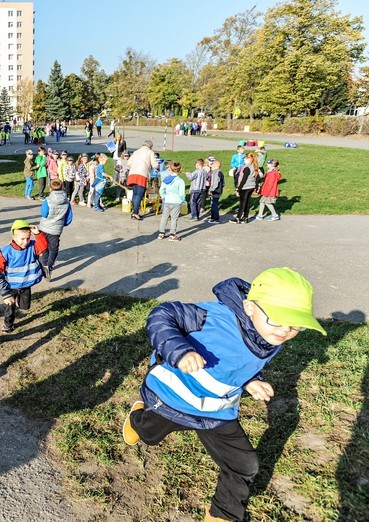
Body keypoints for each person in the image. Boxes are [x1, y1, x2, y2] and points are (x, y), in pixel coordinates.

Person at [122, 268, 326, 522]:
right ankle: (137, 417)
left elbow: (237, 362)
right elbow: (162, 314)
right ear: (250, 307)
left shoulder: (269, 336)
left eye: (295, 325)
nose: (285, 330)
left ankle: (223, 514)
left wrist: (251, 380)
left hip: (216, 412)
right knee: (149, 436)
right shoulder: (212, 317)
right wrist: (180, 350)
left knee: (245, 465)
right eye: (278, 319)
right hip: (173, 400)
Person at [0, 220, 48, 333]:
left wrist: (38, 233)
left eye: (28, 238)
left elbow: (43, 247)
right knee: (10, 307)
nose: (25, 242)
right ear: (14, 237)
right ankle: (8, 325)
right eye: (22, 239)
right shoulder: (6, 252)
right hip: (11, 286)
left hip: (26, 284)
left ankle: (19, 301)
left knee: (25, 307)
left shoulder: (33, 246)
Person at [38, 180, 73, 281]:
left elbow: (44, 213)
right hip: (56, 230)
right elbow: (69, 217)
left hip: (44, 227)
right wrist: (62, 223)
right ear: (62, 187)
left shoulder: (47, 200)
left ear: (50, 188)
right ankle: (50, 265)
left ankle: (44, 265)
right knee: (54, 248)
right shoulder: (66, 201)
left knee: (44, 247)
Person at [127, 140, 160, 221]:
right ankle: (135, 213)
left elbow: (129, 162)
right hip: (142, 174)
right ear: (150, 146)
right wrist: (158, 166)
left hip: (132, 173)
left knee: (135, 193)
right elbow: (154, 164)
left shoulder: (136, 152)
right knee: (139, 194)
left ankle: (134, 212)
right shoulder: (150, 152)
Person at [158, 161, 186, 242]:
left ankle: (161, 233)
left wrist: (164, 197)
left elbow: (161, 190)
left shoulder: (166, 180)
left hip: (167, 200)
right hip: (176, 202)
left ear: (170, 169)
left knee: (164, 217)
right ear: (180, 169)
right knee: (174, 218)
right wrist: (181, 200)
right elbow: (182, 193)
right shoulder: (180, 181)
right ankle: (172, 235)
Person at [233, 153, 258, 224]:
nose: (244, 159)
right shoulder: (254, 166)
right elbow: (256, 178)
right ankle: (245, 217)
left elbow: (243, 180)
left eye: (245, 158)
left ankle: (238, 218)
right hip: (251, 186)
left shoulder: (247, 168)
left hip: (245, 187)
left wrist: (239, 189)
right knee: (247, 202)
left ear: (250, 159)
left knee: (242, 203)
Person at [206, 159, 225, 224]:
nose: (211, 167)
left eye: (212, 166)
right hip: (218, 191)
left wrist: (211, 190)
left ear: (215, 166)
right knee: (213, 204)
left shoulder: (216, 173)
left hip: (215, 191)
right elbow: (223, 183)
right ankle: (212, 217)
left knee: (214, 205)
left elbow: (215, 183)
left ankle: (216, 218)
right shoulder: (220, 173)